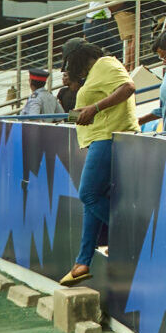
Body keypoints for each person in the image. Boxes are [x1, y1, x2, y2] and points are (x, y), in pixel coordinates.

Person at [58, 39, 137, 288]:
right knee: (89, 203)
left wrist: (94, 107)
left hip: (108, 137)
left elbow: (128, 87)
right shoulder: (95, 73)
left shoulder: (106, 64)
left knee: (88, 195)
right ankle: (82, 263)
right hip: (99, 138)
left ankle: (128, 237)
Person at [82, 0, 137, 68]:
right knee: (117, 50)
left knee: (96, 55)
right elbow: (111, 5)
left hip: (92, 24)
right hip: (96, 25)